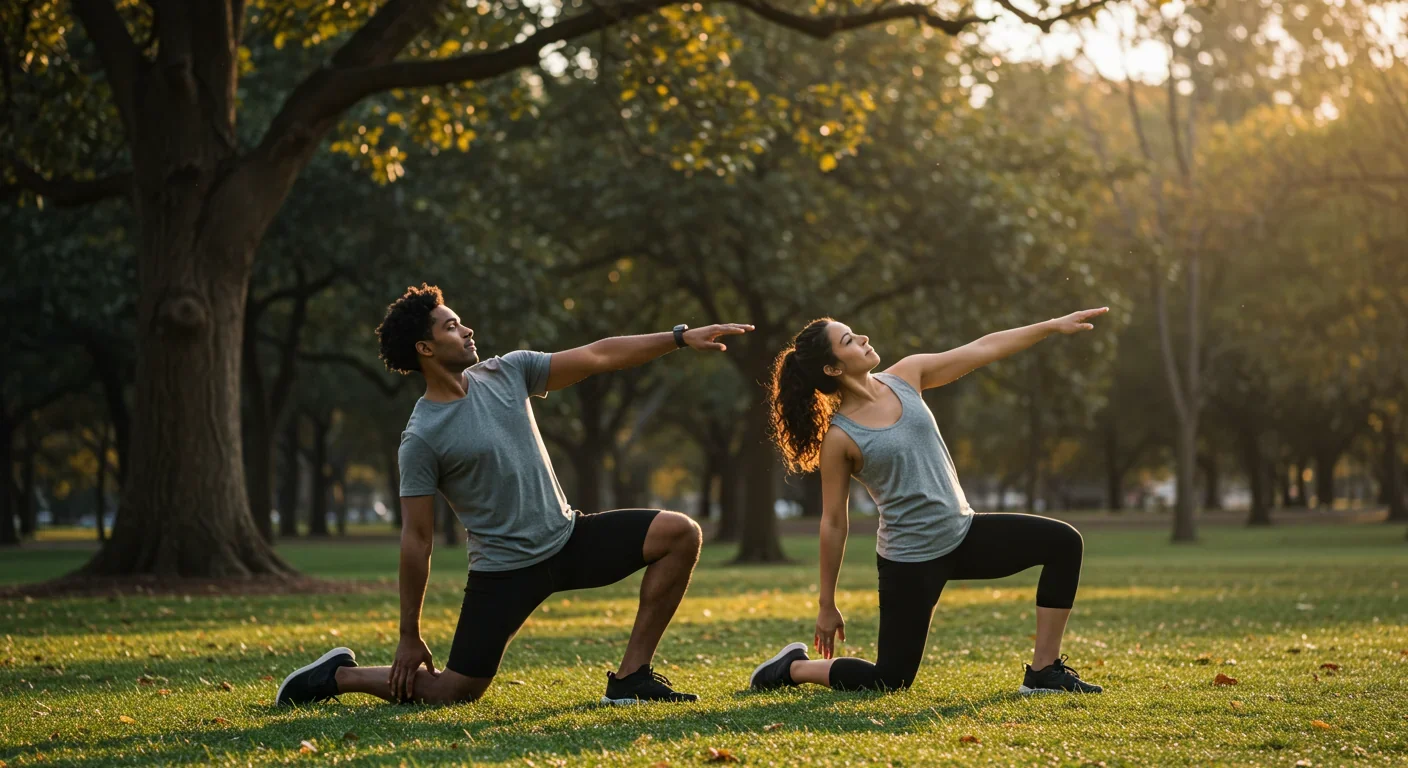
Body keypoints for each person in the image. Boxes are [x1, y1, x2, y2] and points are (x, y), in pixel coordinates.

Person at [276, 283, 753, 707]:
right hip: (503, 572)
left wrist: (678, 337)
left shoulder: (509, 371)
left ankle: (631, 679)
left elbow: (598, 355)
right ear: (425, 347)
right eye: (451, 326)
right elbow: (417, 540)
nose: (467, 330)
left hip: (569, 539)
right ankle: (339, 676)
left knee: (680, 534)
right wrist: (408, 635)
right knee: (454, 691)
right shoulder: (421, 437)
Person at [747, 310, 1109, 696]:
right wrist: (827, 604)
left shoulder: (907, 375)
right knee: (891, 679)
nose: (864, 338)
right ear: (832, 368)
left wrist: (1049, 326)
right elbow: (834, 522)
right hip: (910, 560)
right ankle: (793, 667)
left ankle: (1043, 672)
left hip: (963, 533)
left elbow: (983, 348)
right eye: (849, 340)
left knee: (1063, 543)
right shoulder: (840, 438)